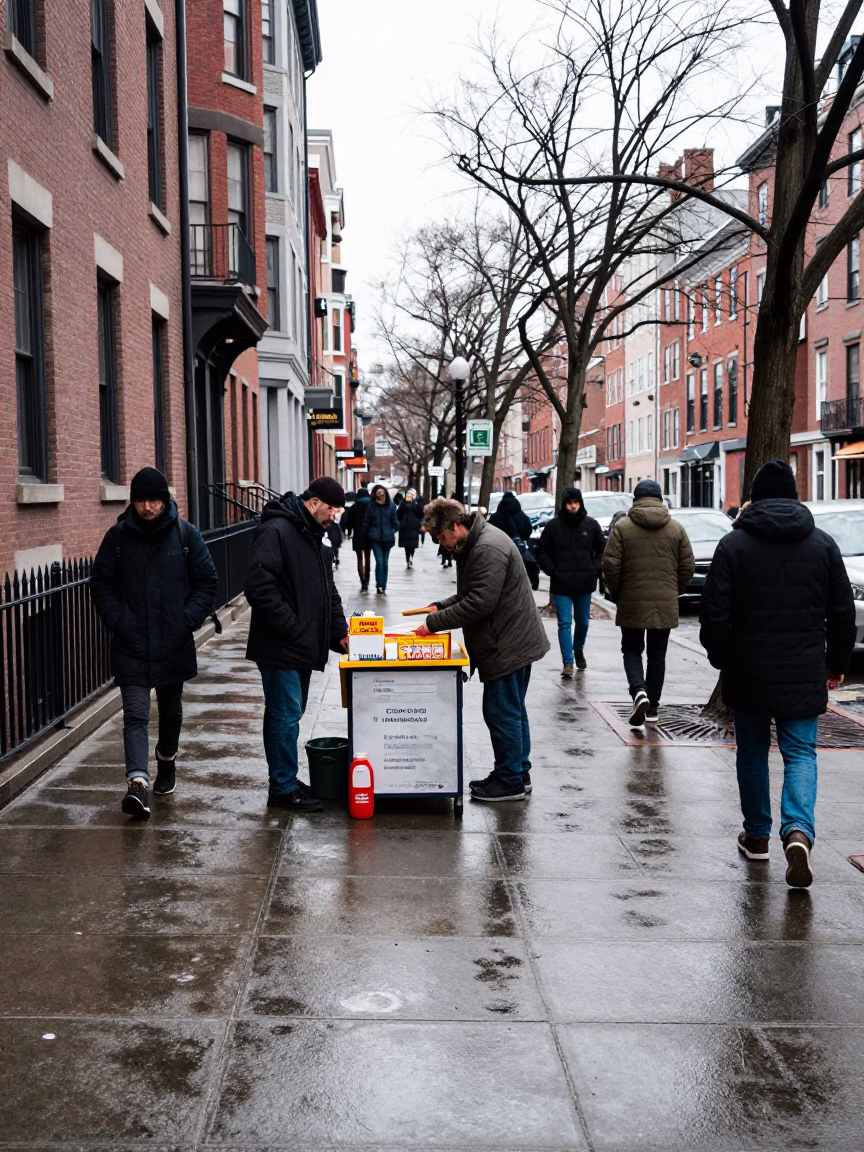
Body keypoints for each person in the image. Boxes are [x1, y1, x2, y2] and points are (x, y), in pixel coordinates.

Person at [699, 459, 855, 888]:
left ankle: (757, 836)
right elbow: (842, 613)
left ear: (757, 496)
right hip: (803, 669)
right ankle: (798, 831)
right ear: (793, 495)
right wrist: (837, 664)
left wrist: (722, 658)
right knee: (801, 752)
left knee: (751, 753)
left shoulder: (734, 546)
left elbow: (713, 614)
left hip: (748, 669)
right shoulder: (823, 545)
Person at [90, 467, 218, 819]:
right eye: (142, 500)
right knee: (135, 714)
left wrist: (187, 620)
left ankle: (166, 760)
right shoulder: (116, 539)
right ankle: (136, 784)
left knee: (171, 712)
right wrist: (118, 621)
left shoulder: (186, 536)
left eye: (155, 500)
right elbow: (100, 583)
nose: (148, 507)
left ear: (166, 501)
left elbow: (207, 581)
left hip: (172, 641)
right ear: (133, 501)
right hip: (131, 642)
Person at [415, 499, 550, 802]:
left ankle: (509, 780)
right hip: (509, 638)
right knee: (512, 711)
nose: (442, 544)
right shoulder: (477, 542)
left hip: (507, 642)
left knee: (501, 713)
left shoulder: (487, 547)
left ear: (455, 526)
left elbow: (480, 603)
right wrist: (440, 606)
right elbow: (471, 593)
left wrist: (433, 623)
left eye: (441, 537)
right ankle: (517, 771)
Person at [244, 477, 349, 812]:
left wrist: (339, 632)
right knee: (285, 716)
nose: (334, 515)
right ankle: (283, 789)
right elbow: (259, 587)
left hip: (300, 644)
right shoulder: (277, 531)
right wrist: (293, 626)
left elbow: (327, 592)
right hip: (281, 645)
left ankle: (284, 779)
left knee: (288, 714)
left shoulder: (314, 535)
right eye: (331, 508)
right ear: (314, 502)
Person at [602, 479, 695, 728]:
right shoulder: (675, 528)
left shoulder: (622, 527)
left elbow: (610, 565)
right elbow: (688, 566)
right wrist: (674, 590)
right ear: (660, 499)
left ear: (636, 500)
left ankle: (638, 691)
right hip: (664, 601)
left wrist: (618, 592)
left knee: (631, 649)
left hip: (631, 599)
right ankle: (653, 707)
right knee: (657, 655)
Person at [534, 487, 605, 677]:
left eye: (576, 502)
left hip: (584, 582)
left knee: (583, 622)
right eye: (569, 502)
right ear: (564, 504)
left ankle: (578, 648)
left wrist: (595, 568)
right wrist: (552, 570)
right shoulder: (553, 526)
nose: (573, 506)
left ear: (580, 503)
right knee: (564, 623)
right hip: (561, 583)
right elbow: (541, 550)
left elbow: (602, 549)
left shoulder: (591, 525)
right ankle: (568, 662)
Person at [489, 490, 540, 589]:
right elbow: (528, 530)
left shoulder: (496, 516)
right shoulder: (522, 515)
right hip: (519, 550)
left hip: (500, 551)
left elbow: (490, 532)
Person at [363, 484, 400, 594]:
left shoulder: (391, 506)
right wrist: (366, 534)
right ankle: (379, 585)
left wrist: (393, 529)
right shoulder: (371, 507)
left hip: (388, 539)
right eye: (378, 493)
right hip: (375, 538)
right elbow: (366, 522)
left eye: (382, 493)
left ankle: (384, 585)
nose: (380, 495)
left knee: (385, 563)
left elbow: (395, 522)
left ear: (385, 494)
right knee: (379, 562)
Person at [343, 485, 372, 591]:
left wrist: (349, 532)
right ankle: (367, 579)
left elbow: (348, 522)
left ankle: (363, 582)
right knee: (368, 558)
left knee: (359, 559)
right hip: (369, 536)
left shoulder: (354, 508)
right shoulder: (371, 506)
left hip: (357, 536)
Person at [397, 489, 424, 568]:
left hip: (410, 527)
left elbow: (421, 515)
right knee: (409, 546)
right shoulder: (405, 505)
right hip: (408, 527)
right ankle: (409, 558)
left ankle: (409, 558)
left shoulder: (414, 505)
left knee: (410, 546)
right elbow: (398, 515)